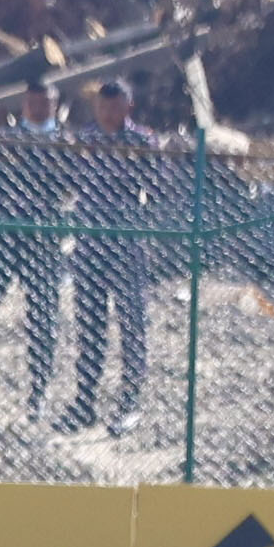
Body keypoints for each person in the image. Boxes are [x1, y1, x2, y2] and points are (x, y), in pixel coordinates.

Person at [0, 74, 70, 418]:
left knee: (43, 319)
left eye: (47, 103)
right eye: (35, 102)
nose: (40, 108)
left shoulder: (65, 145)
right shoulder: (4, 141)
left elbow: (73, 190)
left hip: (42, 243)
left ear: (55, 106)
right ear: (26, 104)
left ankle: (38, 391)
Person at [65, 75, 158, 433]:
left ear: (127, 108)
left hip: (127, 245)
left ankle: (130, 402)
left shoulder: (142, 142)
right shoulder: (85, 140)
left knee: (131, 326)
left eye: (114, 108)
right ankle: (84, 401)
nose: (107, 114)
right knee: (90, 326)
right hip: (89, 245)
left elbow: (159, 186)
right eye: (102, 107)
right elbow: (69, 183)